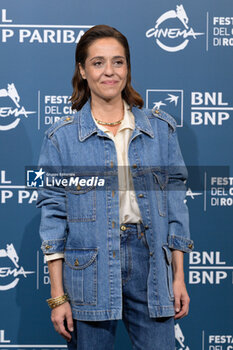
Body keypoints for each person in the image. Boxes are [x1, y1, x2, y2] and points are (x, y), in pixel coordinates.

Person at [36, 24, 194, 350]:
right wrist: (57, 297)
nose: (109, 72)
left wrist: (178, 277)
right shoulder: (61, 138)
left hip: (151, 262)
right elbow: (53, 216)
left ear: (127, 68)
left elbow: (176, 206)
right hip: (88, 266)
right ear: (82, 70)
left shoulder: (160, 131)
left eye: (118, 62)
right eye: (98, 63)